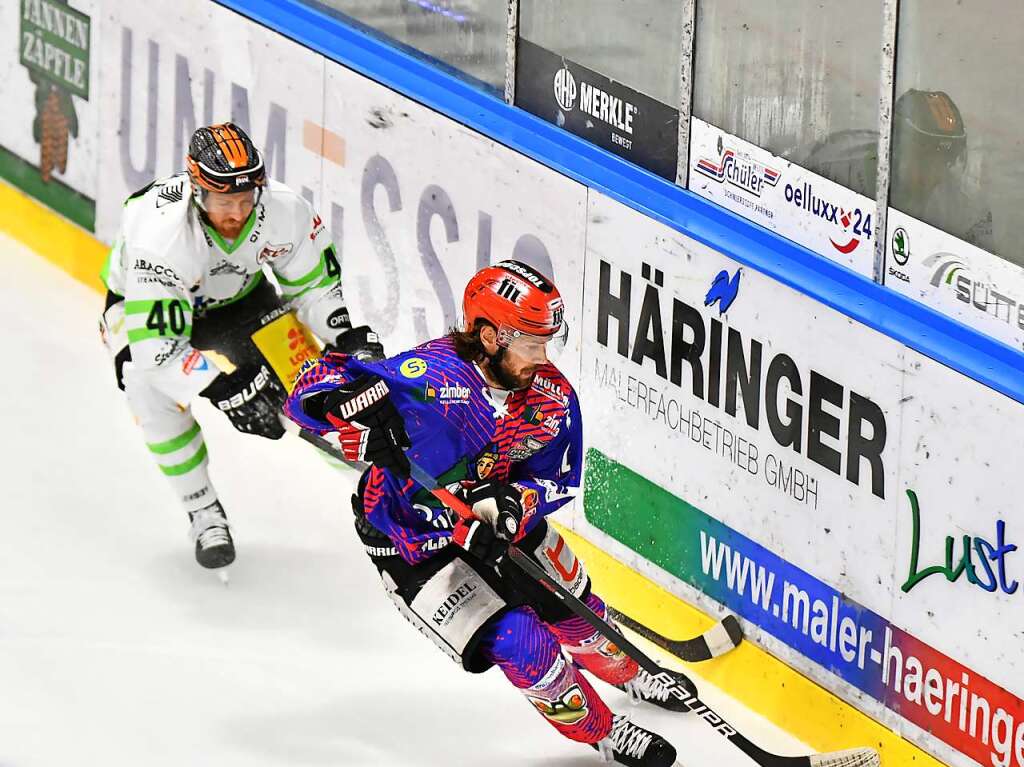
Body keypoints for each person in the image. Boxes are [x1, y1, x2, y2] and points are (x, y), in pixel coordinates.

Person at [284, 261, 690, 767]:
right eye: (531, 345)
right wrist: (342, 402)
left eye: (548, 343)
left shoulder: (552, 398)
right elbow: (307, 389)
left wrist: (515, 503)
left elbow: (556, 478)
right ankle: (604, 732)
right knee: (522, 642)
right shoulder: (432, 380)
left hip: (500, 528)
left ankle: (627, 671)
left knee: (573, 604)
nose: (543, 359)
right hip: (412, 545)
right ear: (491, 335)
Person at [99, 122, 381, 570]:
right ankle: (203, 511)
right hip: (141, 314)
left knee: (316, 393)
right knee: (145, 386)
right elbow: (159, 353)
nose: (236, 213)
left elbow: (314, 286)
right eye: (224, 201)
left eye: (245, 200)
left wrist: (345, 336)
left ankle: (389, 488)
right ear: (196, 192)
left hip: (242, 302)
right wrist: (224, 386)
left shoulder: (285, 212)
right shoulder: (161, 235)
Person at [796, 89, 994, 252]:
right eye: (925, 160)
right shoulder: (831, 167)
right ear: (896, 149)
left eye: (944, 163)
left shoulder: (967, 215)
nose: (934, 174)